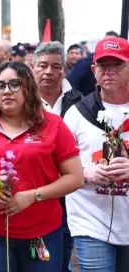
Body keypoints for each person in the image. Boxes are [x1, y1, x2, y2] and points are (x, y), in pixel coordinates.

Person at [0, 61, 84, 272]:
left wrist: (33, 195)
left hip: (41, 232)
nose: (6, 91)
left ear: (28, 88)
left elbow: (75, 178)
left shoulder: (53, 125)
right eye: (0, 85)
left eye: (15, 84)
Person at [63, 37, 129, 272]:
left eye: (118, 64)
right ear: (93, 70)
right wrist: (85, 173)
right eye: (103, 65)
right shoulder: (76, 114)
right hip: (90, 222)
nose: (109, 71)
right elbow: (54, 164)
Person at [31, 41, 83, 272]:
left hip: (70, 199)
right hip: (30, 196)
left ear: (65, 70)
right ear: (32, 67)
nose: (49, 72)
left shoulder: (82, 104)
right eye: (42, 65)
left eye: (56, 66)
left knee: (61, 262)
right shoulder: (18, 104)